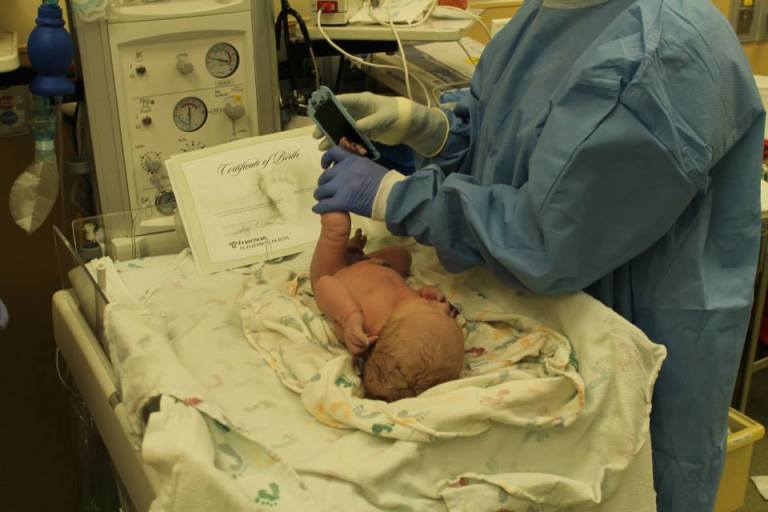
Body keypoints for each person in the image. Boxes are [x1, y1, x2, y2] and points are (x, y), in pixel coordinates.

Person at [311, 0, 766, 509]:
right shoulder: (551, 13)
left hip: (636, 329)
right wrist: (432, 132)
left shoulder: (660, 54)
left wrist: (396, 198)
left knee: (628, 484)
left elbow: (549, 238)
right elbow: (506, 143)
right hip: (537, 302)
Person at [310, 211, 465, 401]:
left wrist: (349, 317)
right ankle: (356, 254)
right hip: (372, 265)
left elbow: (325, 284)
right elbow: (413, 292)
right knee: (402, 255)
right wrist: (427, 292)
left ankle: (348, 247)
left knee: (337, 225)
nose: (444, 308)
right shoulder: (411, 308)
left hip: (336, 269)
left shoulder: (362, 327)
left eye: (437, 312)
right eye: (449, 316)